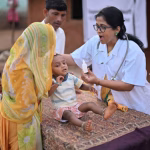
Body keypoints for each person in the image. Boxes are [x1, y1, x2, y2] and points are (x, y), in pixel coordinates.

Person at [63, 6, 150, 116]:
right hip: (110, 105)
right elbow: (73, 59)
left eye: (103, 27)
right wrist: (48, 56)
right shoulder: (95, 42)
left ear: (117, 29)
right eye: (97, 27)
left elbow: (128, 85)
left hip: (137, 107)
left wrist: (97, 81)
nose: (99, 31)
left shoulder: (132, 50)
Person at [0, 22, 56, 150]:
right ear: (36, 42)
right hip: (20, 122)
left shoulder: (16, 58)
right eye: (45, 42)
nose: (47, 48)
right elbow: (26, 106)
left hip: (8, 113)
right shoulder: (23, 71)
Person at [49, 54, 114, 131]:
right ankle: (83, 124)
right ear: (51, 70)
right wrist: (57, 84)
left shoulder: (71, 76)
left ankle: (104, 112)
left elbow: (81, 86)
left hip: (74, 106)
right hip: (62, 110)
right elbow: (48, 93)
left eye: (64, 63)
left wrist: (89, 88)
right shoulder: (52, 81)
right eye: (57, 65)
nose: (63, 66)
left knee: (90, 104)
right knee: (69, 115)